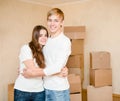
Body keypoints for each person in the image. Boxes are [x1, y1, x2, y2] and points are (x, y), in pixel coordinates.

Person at [23, 8, 71, 101]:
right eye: (50, 20)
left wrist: (32, 73)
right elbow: (38, 60)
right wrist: (23, 68)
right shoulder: (45, 41)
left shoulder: (65, 41)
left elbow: (57, 67)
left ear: (62, 23)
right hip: (44, 87)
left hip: (58, 90)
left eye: (56, 21)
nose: (52, 24)